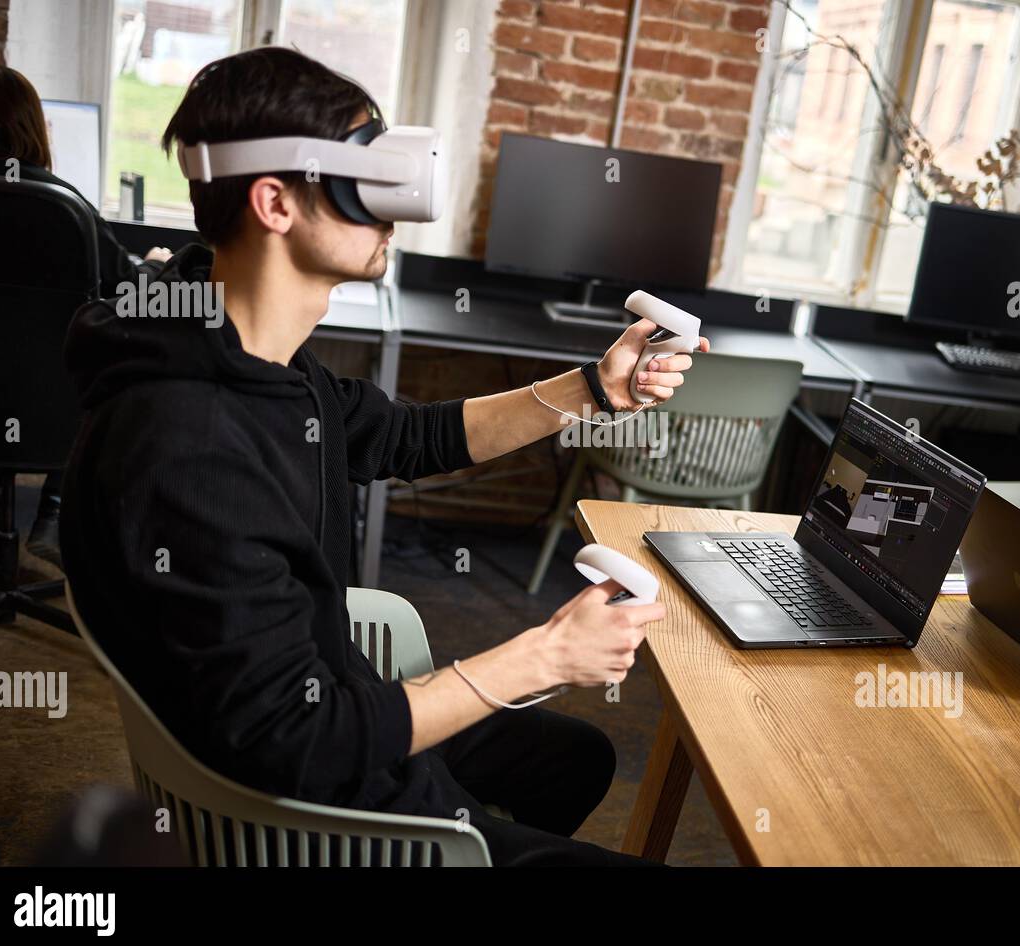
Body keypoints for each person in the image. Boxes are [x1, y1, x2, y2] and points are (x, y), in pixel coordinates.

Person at [60, 47, 708, 866]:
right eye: (362, 181)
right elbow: (293, 738)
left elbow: (405, 436)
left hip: (332, 697)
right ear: (276, 202)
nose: (392, 210)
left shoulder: (237, 346)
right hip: (314, 802)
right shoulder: (191, 446)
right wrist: (543, 655)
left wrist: (595, 389)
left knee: (576, 760)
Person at [0, 64, 172, 569]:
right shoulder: (63, 208)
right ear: (35, 128)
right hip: (48, 418)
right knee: (122, 348)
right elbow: (134, 294)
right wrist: (158, 268)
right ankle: (55, 511)